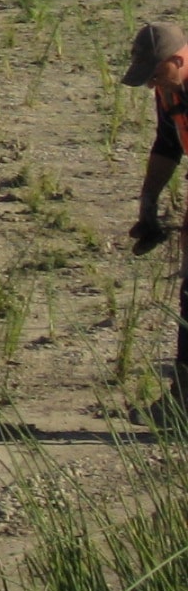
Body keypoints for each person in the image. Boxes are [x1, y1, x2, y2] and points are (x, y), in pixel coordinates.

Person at [121, 21, 188, 410]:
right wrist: (148, 203)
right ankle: (184, 399)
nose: (150, 86)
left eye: (155, 75)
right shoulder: (169, 90)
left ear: (178, 60)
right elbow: (168, 144)